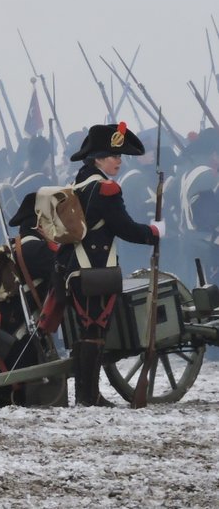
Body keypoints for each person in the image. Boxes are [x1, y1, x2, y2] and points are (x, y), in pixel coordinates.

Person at [57, 122, 163, 406]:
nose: (118, 160)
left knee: (86, 331)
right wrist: (153, 233)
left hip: (74, 269)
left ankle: (87, 394)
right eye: (113, 155)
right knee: (94, 331)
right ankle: (88, 396)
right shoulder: (105, 189)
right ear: (98, 158)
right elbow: (124, 227)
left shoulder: (76, 184)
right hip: (94, 269)